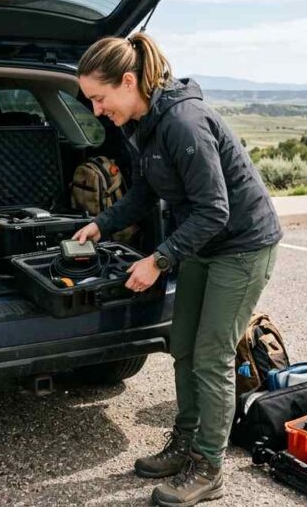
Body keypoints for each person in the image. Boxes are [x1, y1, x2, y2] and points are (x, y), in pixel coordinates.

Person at [72, 32, 282, 506]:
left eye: (100, 98)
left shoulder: (184, 122)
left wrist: (159, 259)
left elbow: (215, 209)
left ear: (128, 82)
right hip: (204, 243)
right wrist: (100, 225)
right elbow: (147, 191)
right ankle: (186, 445)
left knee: (212, 355)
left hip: (243, 246)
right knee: (183, 344)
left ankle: (209, 467)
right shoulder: (143, 123)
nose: (97, 110)